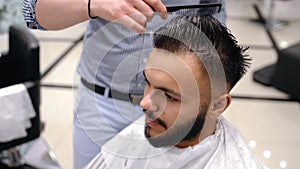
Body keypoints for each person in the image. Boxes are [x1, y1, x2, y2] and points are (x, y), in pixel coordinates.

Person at [22, 0, 227, 168]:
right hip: (103, 101)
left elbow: (216, 33)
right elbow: (33, 12)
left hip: (174, 107)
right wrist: (93, 4)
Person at [84, 14, 264, 169]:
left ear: (217, 106)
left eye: (169, 97)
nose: (145, 103)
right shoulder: (151, 129)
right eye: (148, 83)